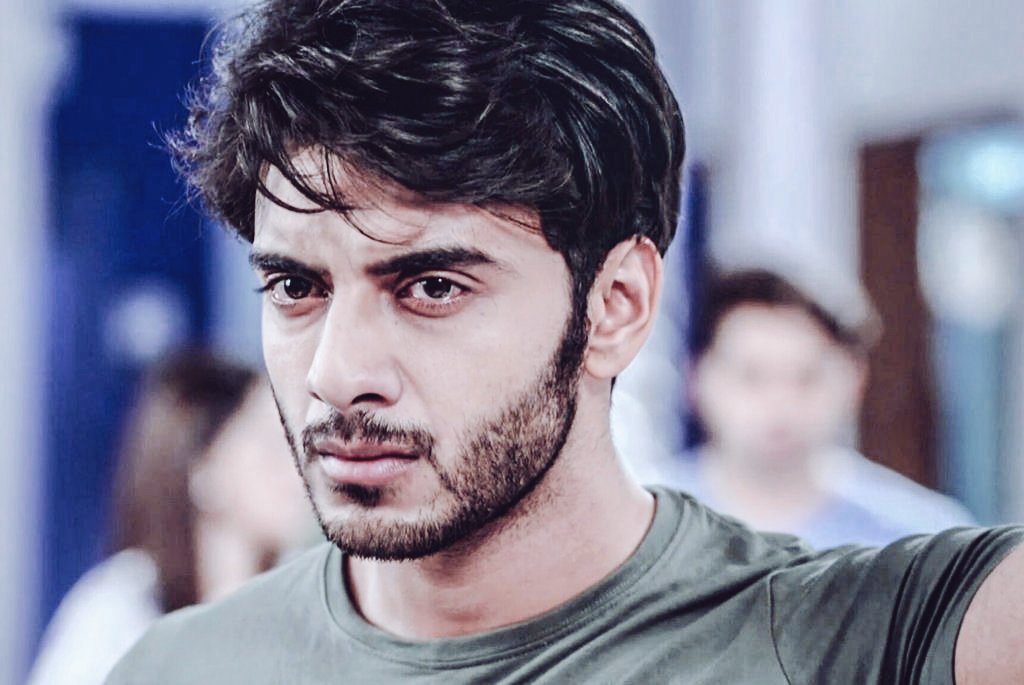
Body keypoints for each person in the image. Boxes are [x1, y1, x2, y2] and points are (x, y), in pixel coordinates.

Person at [107, 1, 1023, 682]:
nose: (337, 374)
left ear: (614, 305)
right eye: (296, 288)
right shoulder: (179, 668)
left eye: (432, 286)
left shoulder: (852, 639)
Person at [29, 350, 312, 685]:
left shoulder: (310, 608)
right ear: (202, 467)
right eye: (272, 447)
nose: (299, 470)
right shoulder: (119, 611)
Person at [668, 267, 975, 548]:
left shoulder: (923, 539)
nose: (780, 403)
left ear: (856, 379)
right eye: (752, 376)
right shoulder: (650, 527)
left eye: (807, 377)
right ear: (696, 379)